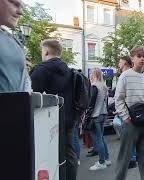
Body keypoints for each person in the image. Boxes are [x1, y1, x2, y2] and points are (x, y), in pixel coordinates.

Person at [31, 39, 77, 180]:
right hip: (68, 119)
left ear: (45, 52)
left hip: (47, 122)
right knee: (69, 154)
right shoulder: (70, 71)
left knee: (47, 157)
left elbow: (30, 96)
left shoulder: (41, 70)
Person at [114, 46, 144, 180]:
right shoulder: (125, 76)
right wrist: (125, 117)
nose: (142, 58)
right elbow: (118, 99)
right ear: (132, 58)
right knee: (124, 158)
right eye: (139, 56)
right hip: (131, 122)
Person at [0, 0, 32, 92]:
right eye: (13, 3)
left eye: (21, 6)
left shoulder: (14, 41)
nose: (20, 12)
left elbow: (25, 80)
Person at [112, 56, 138, 169]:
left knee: (128, 136)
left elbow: (122, 95)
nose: (118, 63)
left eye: (120, 61)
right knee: (130, 135)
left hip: (127, 110)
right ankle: (133, 157)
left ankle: (131, 158)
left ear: (125, 63)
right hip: (129, 109)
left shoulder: (126, 75)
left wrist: (122, 111)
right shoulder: (129, 74)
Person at [86, 68, 111, 170]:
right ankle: (106, 159)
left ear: (93, 74)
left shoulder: (94, 86)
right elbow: (106, 102)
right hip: (103, 113)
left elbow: (91, 103)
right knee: (101, 137)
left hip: (96, 115)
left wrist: (87, 115)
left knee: (97, 139)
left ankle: (102, 162)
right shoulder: (104, 86)